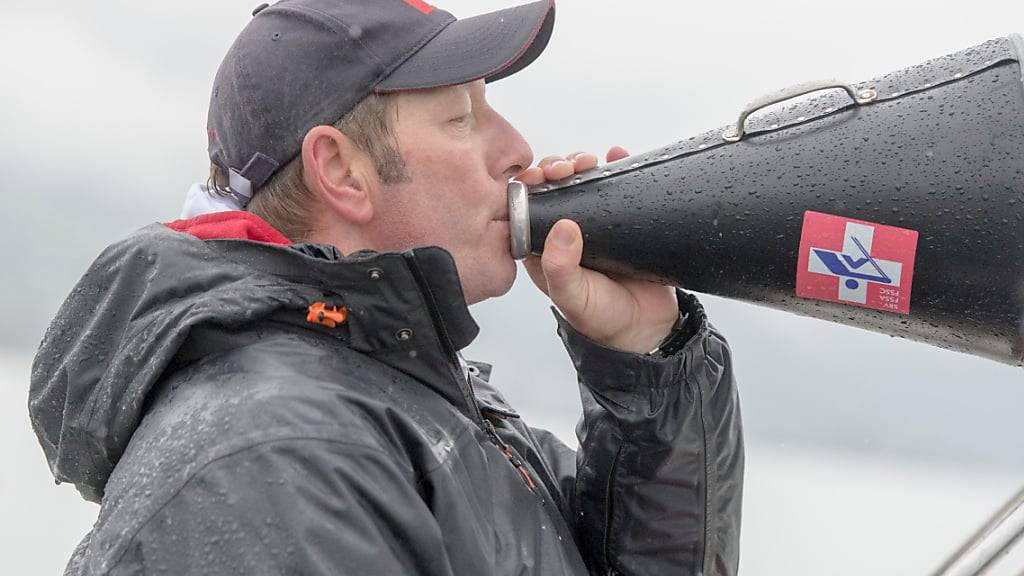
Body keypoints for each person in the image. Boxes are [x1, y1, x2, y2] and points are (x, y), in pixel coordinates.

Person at [29, 0, 744, 574]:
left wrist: (647, 355)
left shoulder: (405, 399)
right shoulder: (277, 455)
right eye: (463, 118)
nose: (519, 149)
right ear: (341, 172)